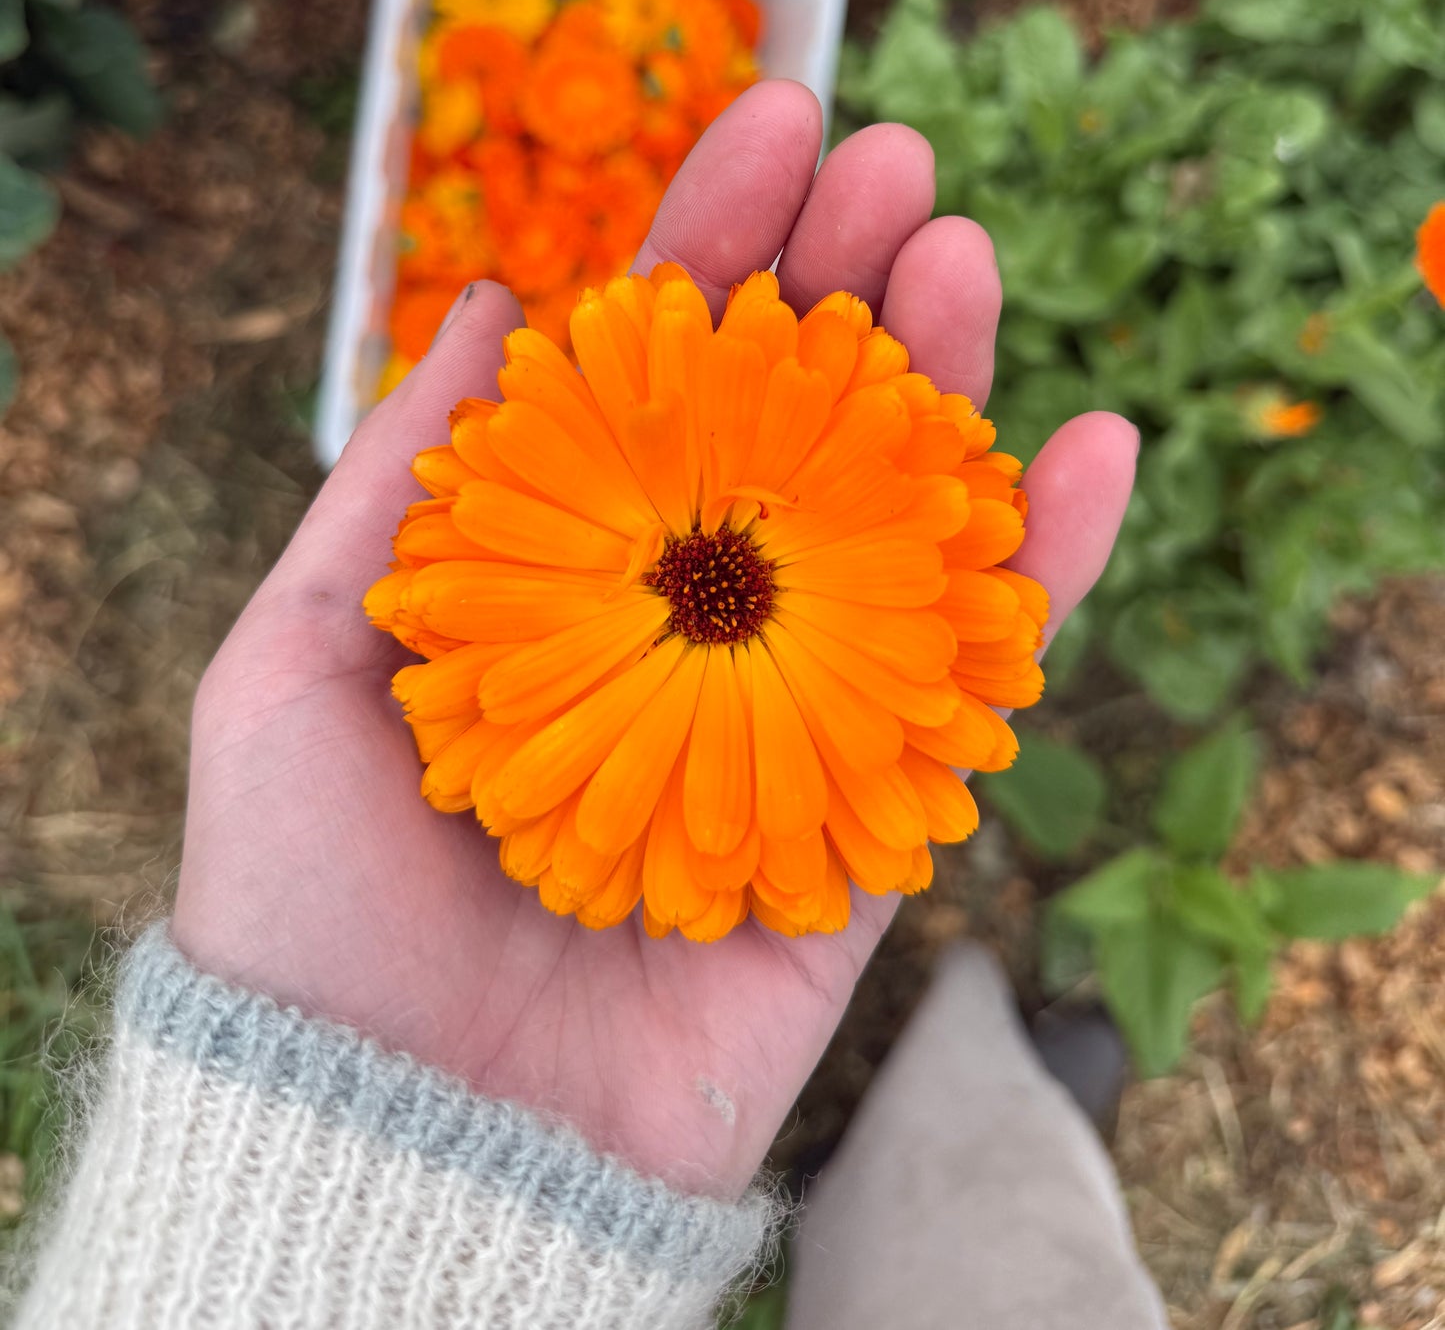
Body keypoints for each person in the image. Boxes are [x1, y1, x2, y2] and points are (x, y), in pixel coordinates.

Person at [11, 82, 1165, 1329]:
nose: (713, 587)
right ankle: (984, 1131)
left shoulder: (791, 512)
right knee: (1024, 1266)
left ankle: (960, 1132)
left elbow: (930, 571)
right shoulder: (555, 653)